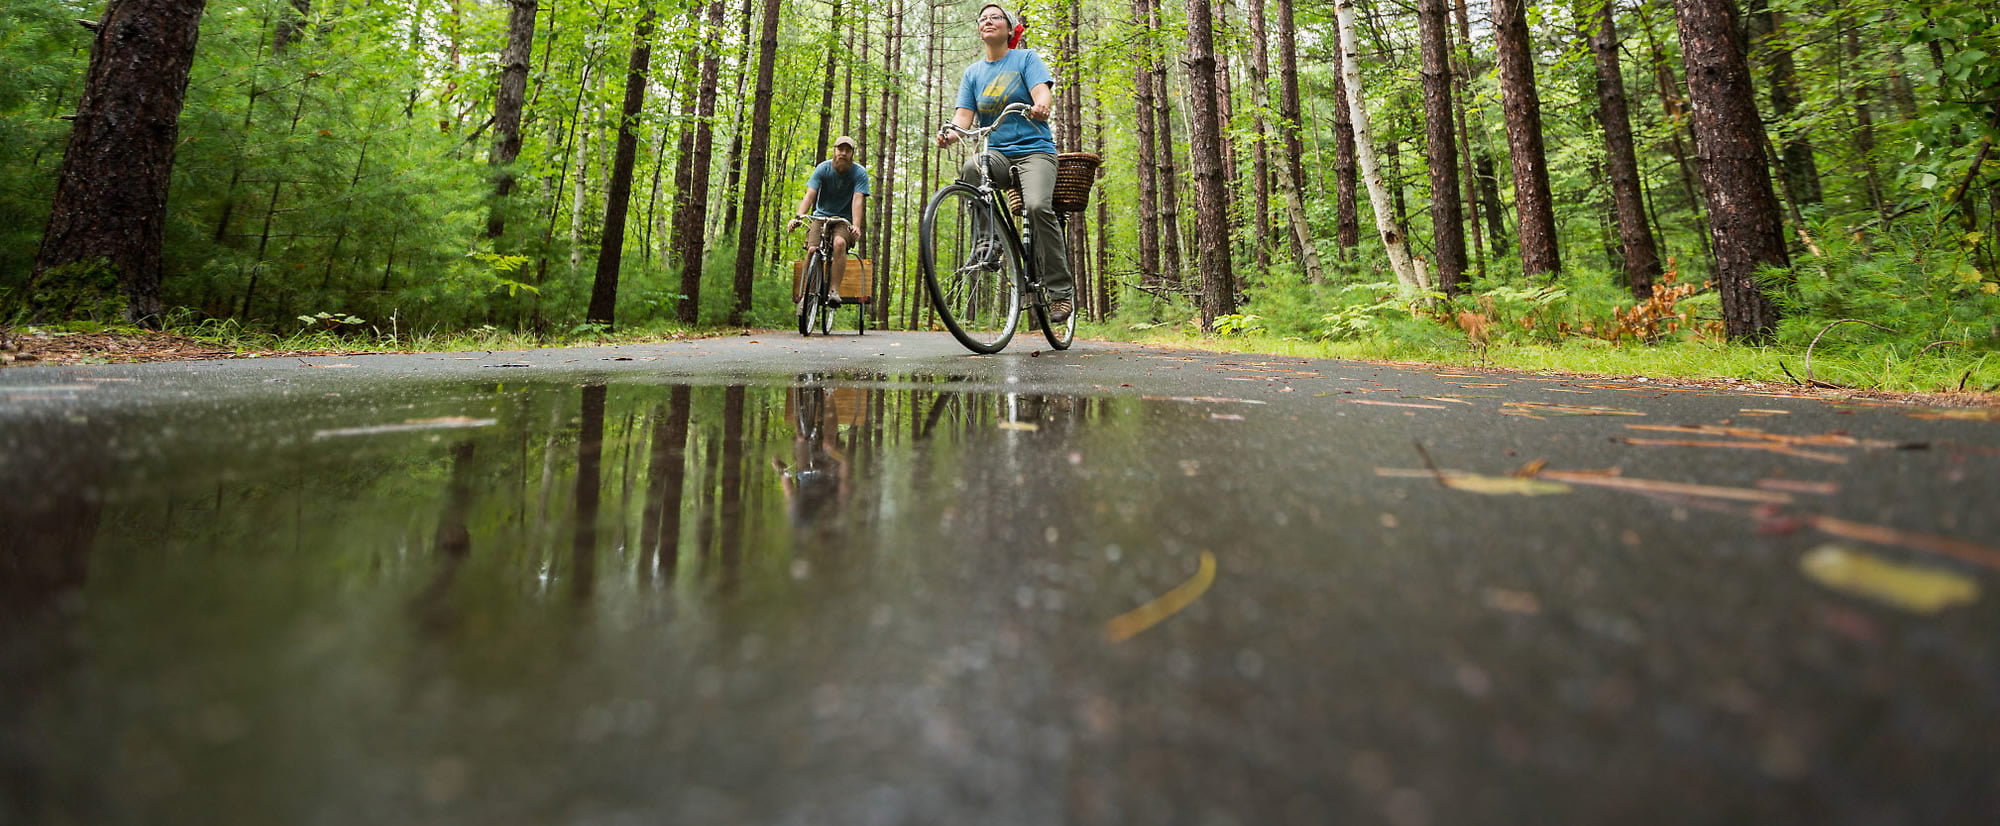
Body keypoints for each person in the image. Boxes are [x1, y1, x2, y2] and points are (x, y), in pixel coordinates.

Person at [934, 4, 1073, 324]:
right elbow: (963, 117)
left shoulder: (1025, 59)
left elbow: (1041, 92)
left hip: (1034, 151)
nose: (987, 21)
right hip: (998, 153)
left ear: (1010, 29)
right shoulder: (973, 73)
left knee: (1037, 207)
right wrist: (949, 135)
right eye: (982, 18)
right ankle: (989, 243)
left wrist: (1041, 106)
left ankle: (1060, 291)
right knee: (972, 169)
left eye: (995, 17)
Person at [786, 136, 870, 303]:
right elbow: (810, 195)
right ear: (834, 151)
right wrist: (798, 217)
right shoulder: (823, 169)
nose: (843, 153)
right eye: (840, 149)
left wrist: (856, 226)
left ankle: (834, 291)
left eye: (847, 150)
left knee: (839, 243)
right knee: (812, 249)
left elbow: (858, 200)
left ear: (852, 154)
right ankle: (807, 293)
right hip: (820, 216)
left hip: (843, 220)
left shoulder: (859, 173)